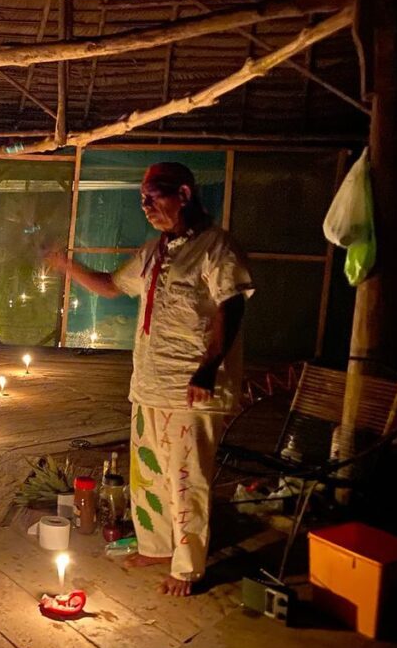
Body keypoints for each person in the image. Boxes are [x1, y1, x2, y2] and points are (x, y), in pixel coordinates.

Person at [47, 162, 253, 596]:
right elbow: (110, 285)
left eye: (153, 196)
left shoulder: (216, 248)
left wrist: (209, 367)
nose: (145, 206)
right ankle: (158, 546)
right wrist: (66, 266)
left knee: (185, 479)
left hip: (190, 388)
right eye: (141, 199)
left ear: (183, 192)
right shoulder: (154, 251)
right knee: (150, 476)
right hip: (150, 385)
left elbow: (230, 305)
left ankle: (188, 567)